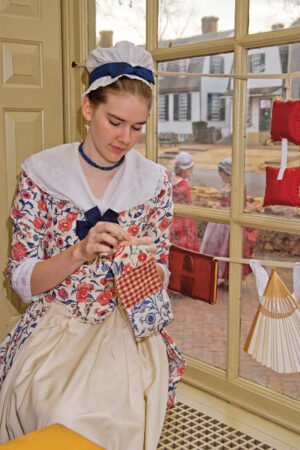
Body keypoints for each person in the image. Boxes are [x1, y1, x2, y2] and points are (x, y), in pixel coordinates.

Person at [0, 41, 185, 449]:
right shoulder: (41, 175)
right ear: (88, 108)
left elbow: (159, 281)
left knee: (122, 418)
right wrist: (78, 252)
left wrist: (143, 266)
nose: (126, 138)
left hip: (125, 333)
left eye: (138, 127)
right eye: (115, 122)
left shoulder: (154, 184)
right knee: (61, 418)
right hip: (57, 329)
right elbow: (22, 281)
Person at [200, 158, 257, 284]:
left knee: (230, 249)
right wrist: (218, 205)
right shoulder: (226, 185)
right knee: (217, 247)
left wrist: (221, 208)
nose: (223, 179)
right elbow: (224, 201)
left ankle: (230, 279)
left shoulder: (239, 186)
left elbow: (239, 207)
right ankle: (219, 274)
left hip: (231, 222)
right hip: (221, 221)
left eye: (224, 176)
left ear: (230, 173)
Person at [169, 151, 199, 251]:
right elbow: (189, 204)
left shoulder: (170, 180)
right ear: (185, 170)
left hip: (172, 219)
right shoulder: (184, 185)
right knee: (184, 247)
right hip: (184, 221)